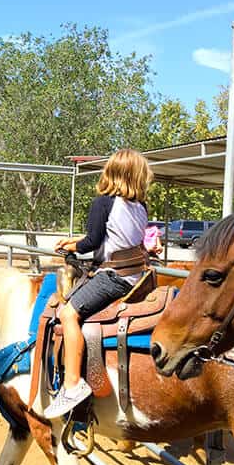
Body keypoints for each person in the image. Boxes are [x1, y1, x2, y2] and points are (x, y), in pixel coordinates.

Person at [44, 148, 153, 419]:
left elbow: (92, 243)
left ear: (111, 172)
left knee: (68, 313)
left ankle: (71, 385)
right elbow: (108, 237)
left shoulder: (103, 203)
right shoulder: (140, 207)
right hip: (136, 277)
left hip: (113, 278)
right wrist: (72, 242)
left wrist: (74, 245)